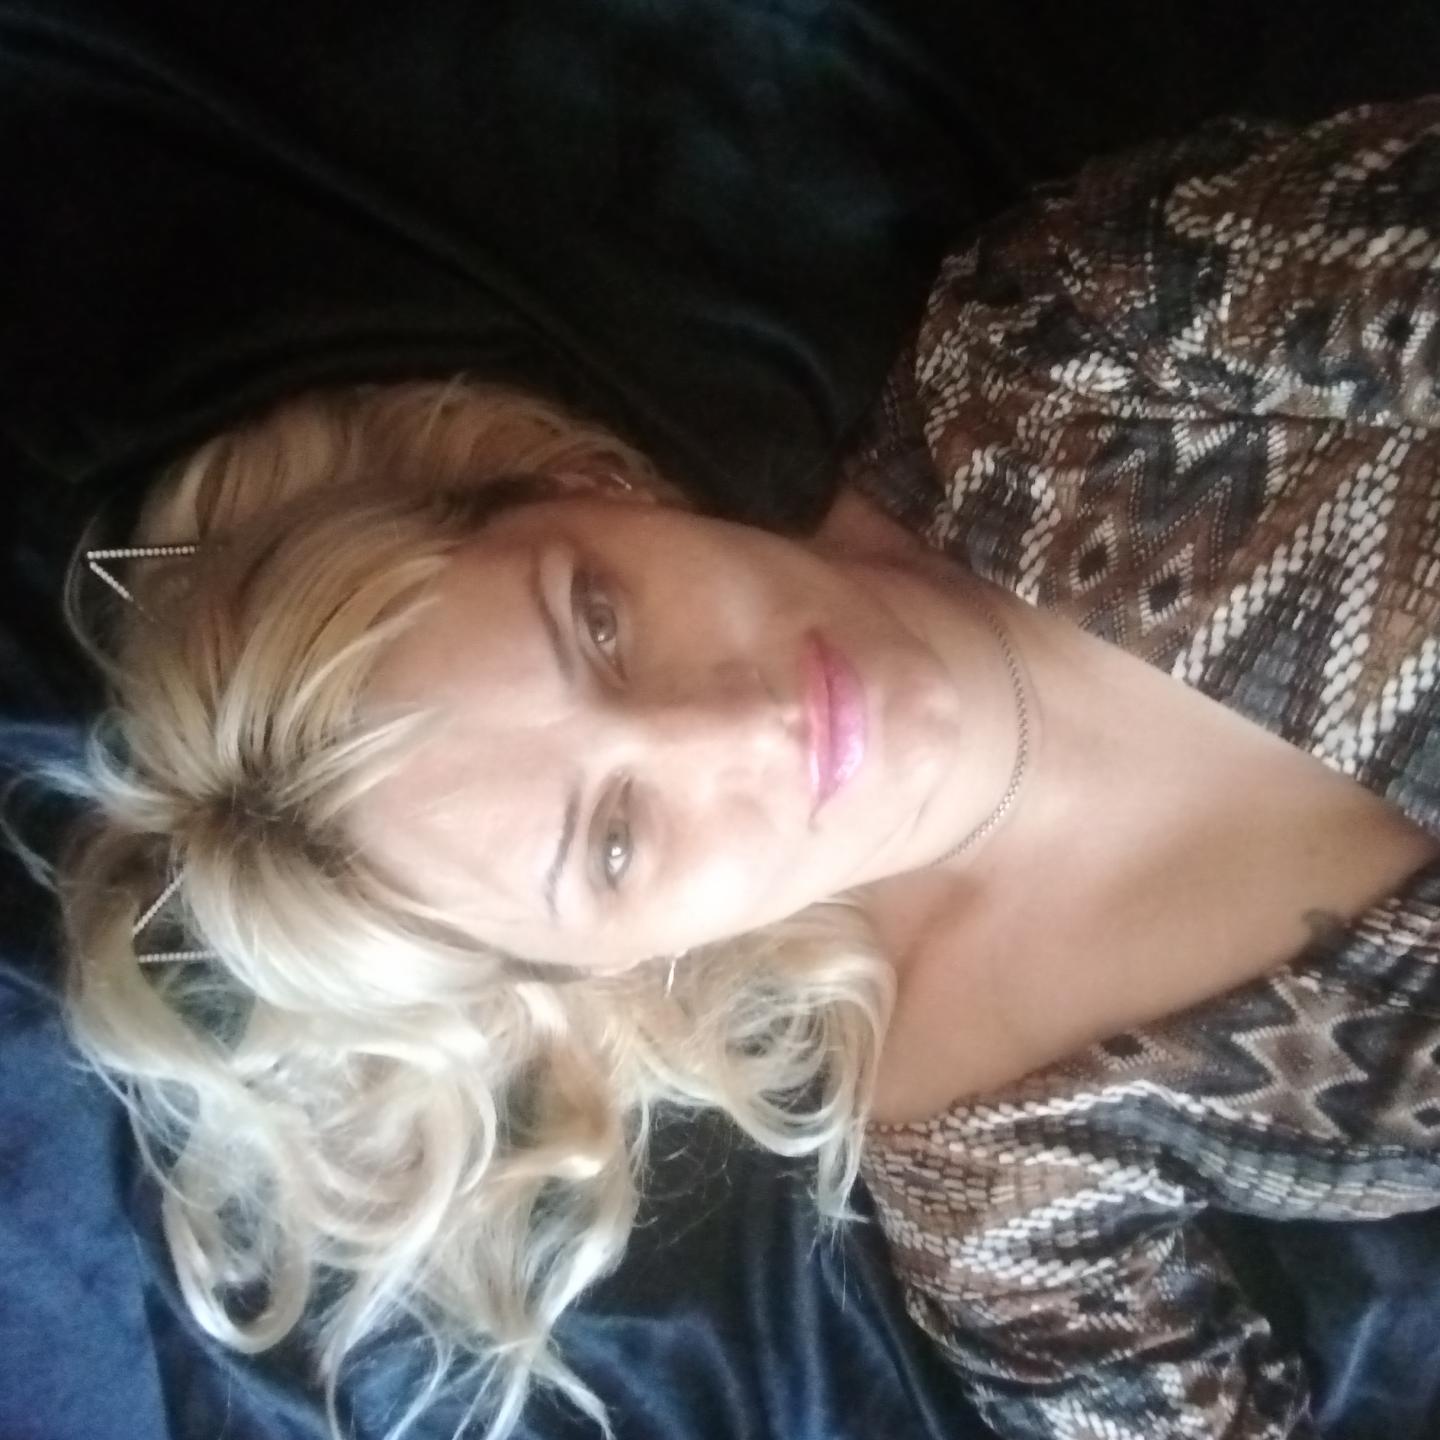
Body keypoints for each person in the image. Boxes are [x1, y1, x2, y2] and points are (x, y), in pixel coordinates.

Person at [40, 95, 1440, 1440]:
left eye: (599, 620)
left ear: (595, 488)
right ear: (613, 965)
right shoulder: (994, 1178)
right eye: (614, 845)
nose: (739, 727)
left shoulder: (1070, 333)